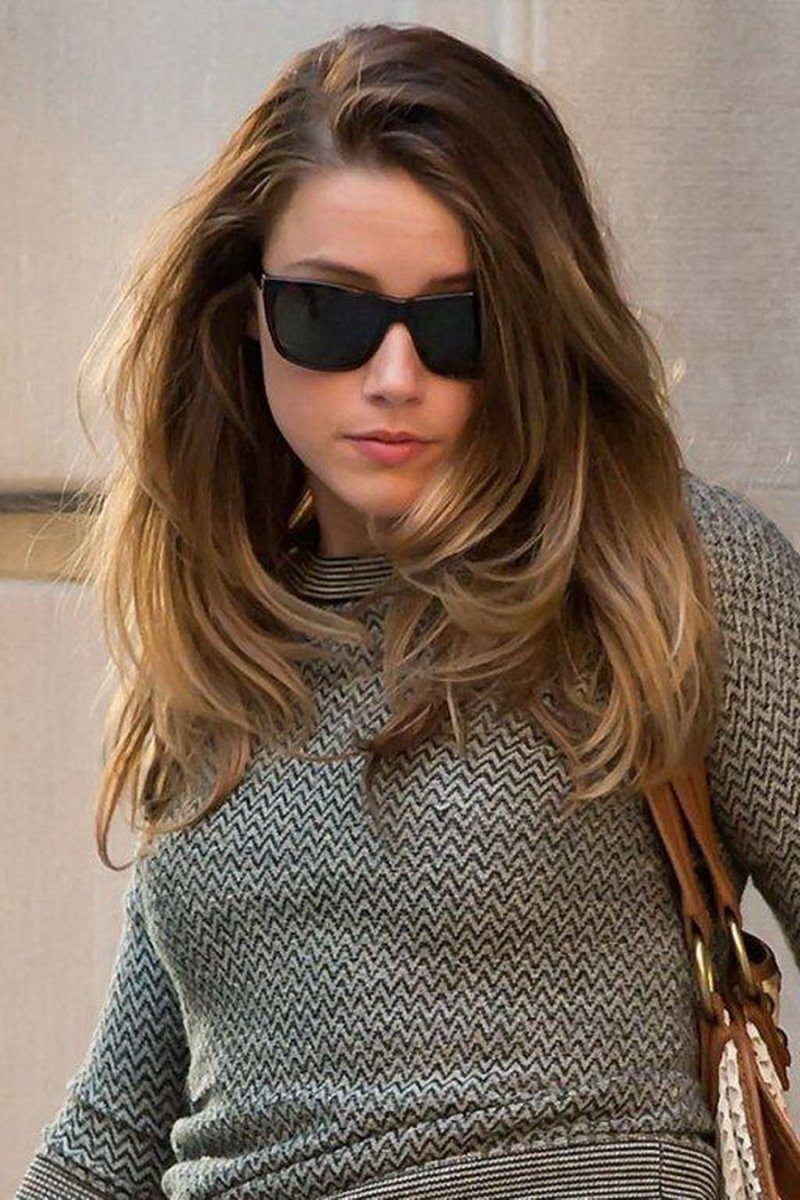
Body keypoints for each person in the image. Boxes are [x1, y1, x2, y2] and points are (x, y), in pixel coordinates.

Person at [15, 20, 799, 1200]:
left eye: (455, 322)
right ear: (244, 311)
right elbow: (116, 1131)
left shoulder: (658, 569)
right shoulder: (223, 640)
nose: (394, 377)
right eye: (331, 316)